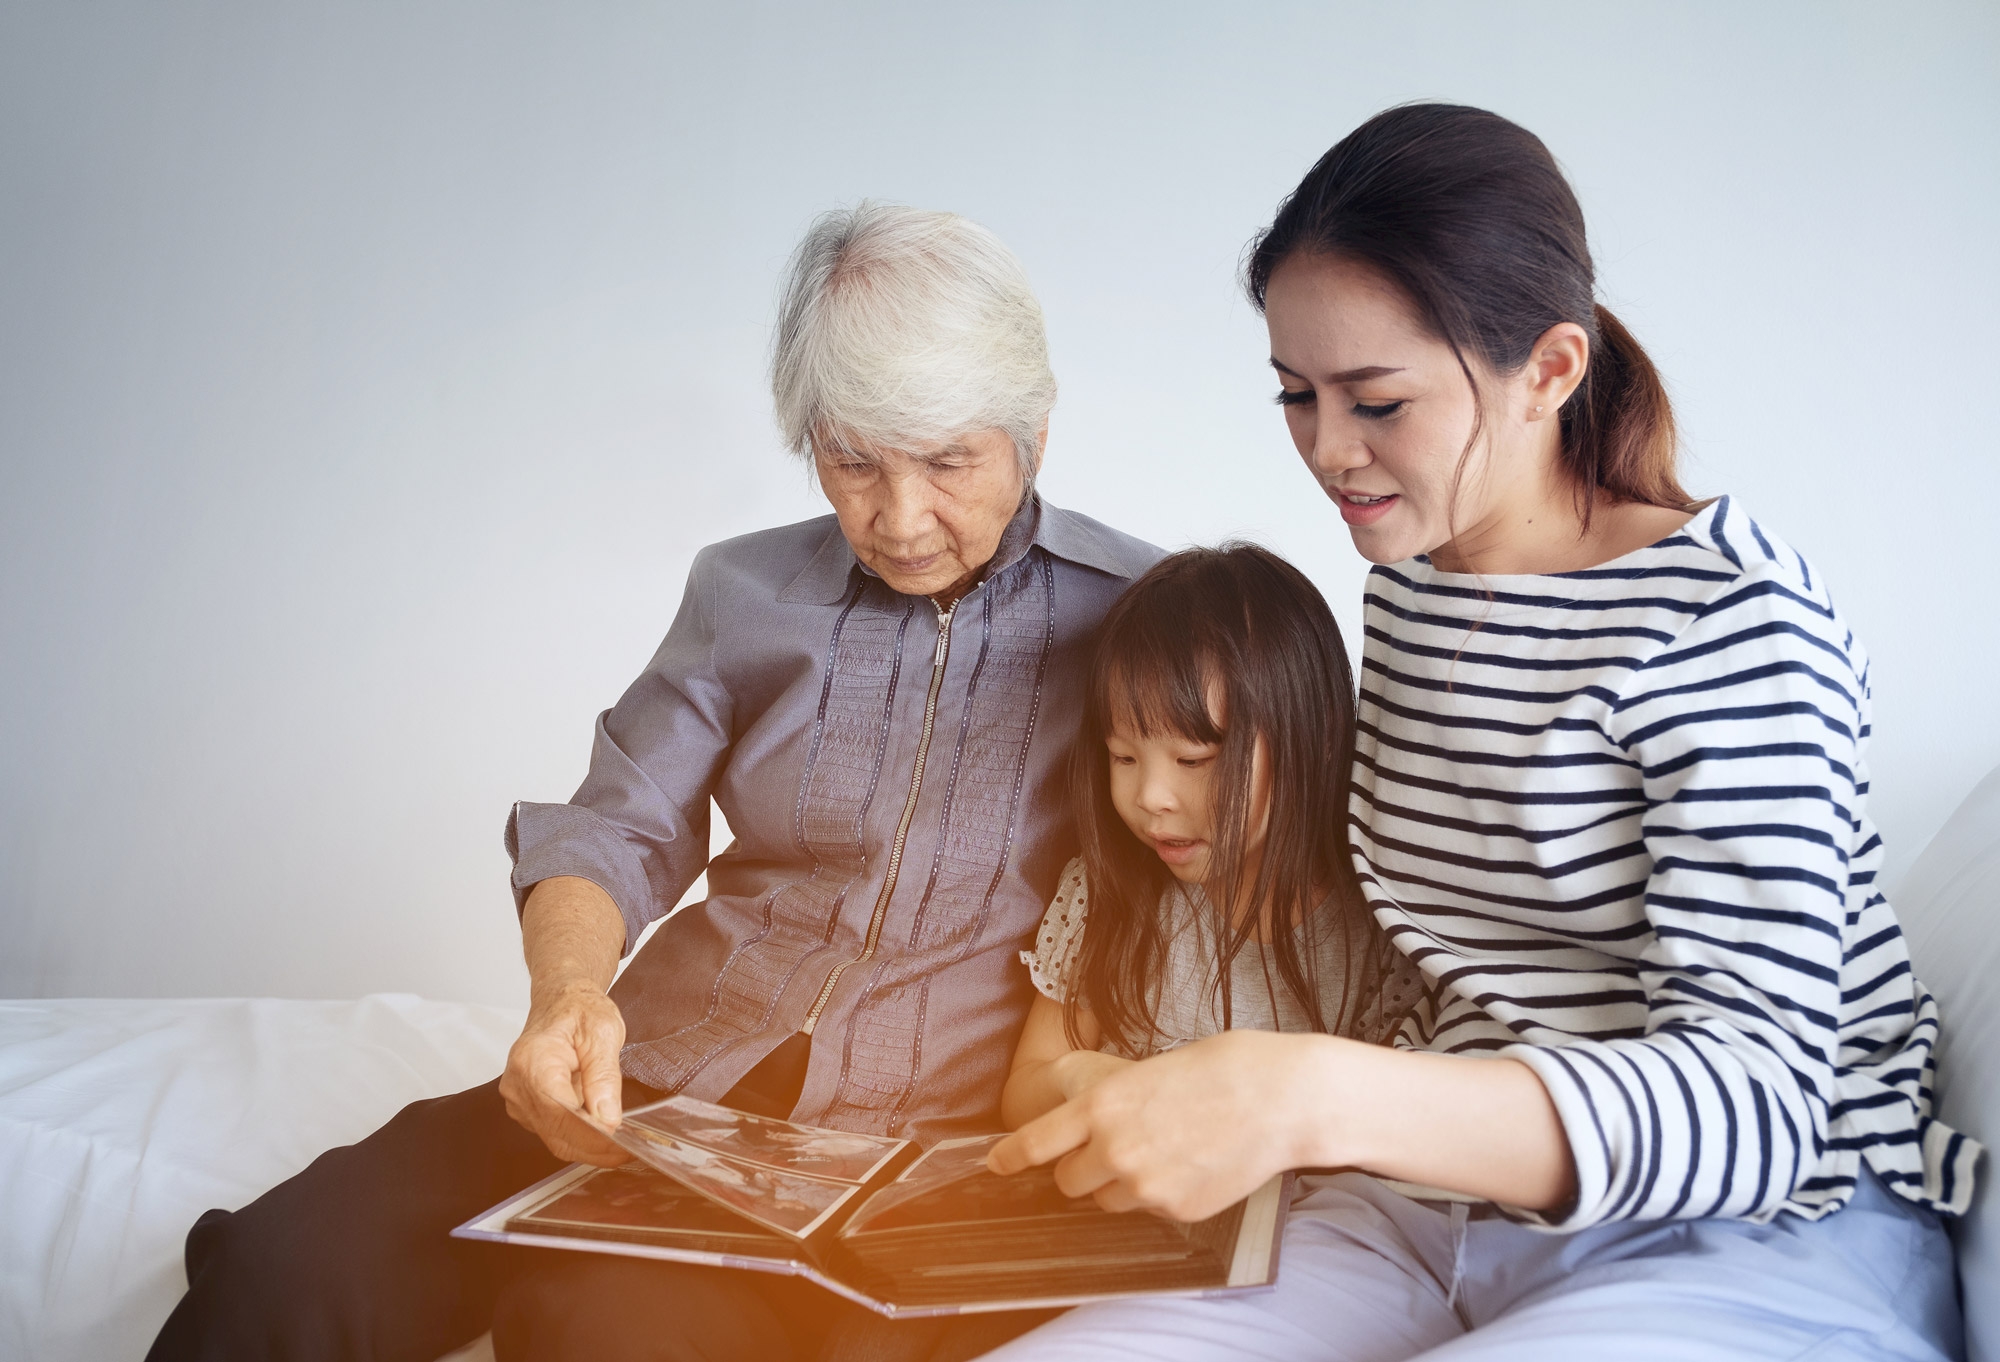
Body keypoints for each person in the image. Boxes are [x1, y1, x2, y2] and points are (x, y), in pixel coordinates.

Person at [978, 103, 1975, 1361]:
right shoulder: (1413, 580)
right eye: (1295, 395)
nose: (1327, 453)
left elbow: (1758, 1106)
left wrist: (1307, 1093)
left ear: (1549, 372)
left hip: (1756, 1221)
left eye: (1376, 401)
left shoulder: (1734, 624)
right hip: (1437, 1210)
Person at [146, 203, 1161, 1362]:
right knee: (285, 1270)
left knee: (598, 1324)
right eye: (851, 459)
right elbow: (614, 824)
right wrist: (569, 999)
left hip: (906, 1158)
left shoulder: (1144, 618)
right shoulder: (744, 591)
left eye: (945, 461)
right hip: (655, 1094)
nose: (897, 516)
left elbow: (1227, 877)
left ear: (1032, 428)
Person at [999, 544, 1426, 1134]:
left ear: (1313, 740)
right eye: (1123, 756)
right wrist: (1076, 1078)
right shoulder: (1105, 894)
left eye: (1193, 759)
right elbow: (1025, 1092)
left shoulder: (1381, 924)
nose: (1151, 796)